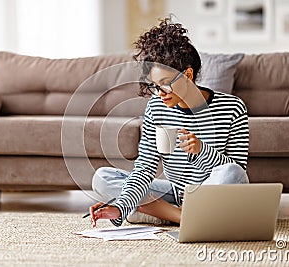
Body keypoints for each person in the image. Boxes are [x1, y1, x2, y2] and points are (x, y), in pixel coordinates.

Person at [89, 17, 249, 227]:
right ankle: (182, 216)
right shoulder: (156, 108)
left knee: (233, 172)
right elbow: (145, 168)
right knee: (102, 178)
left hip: (211, 191)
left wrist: (201, 150)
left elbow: (236, 172)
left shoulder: (233, 107)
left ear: (188, 75)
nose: (160, 93)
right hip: (174, 192)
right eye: (155, 86)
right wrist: (121, 206)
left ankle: (155, 212)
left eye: (165, 84)